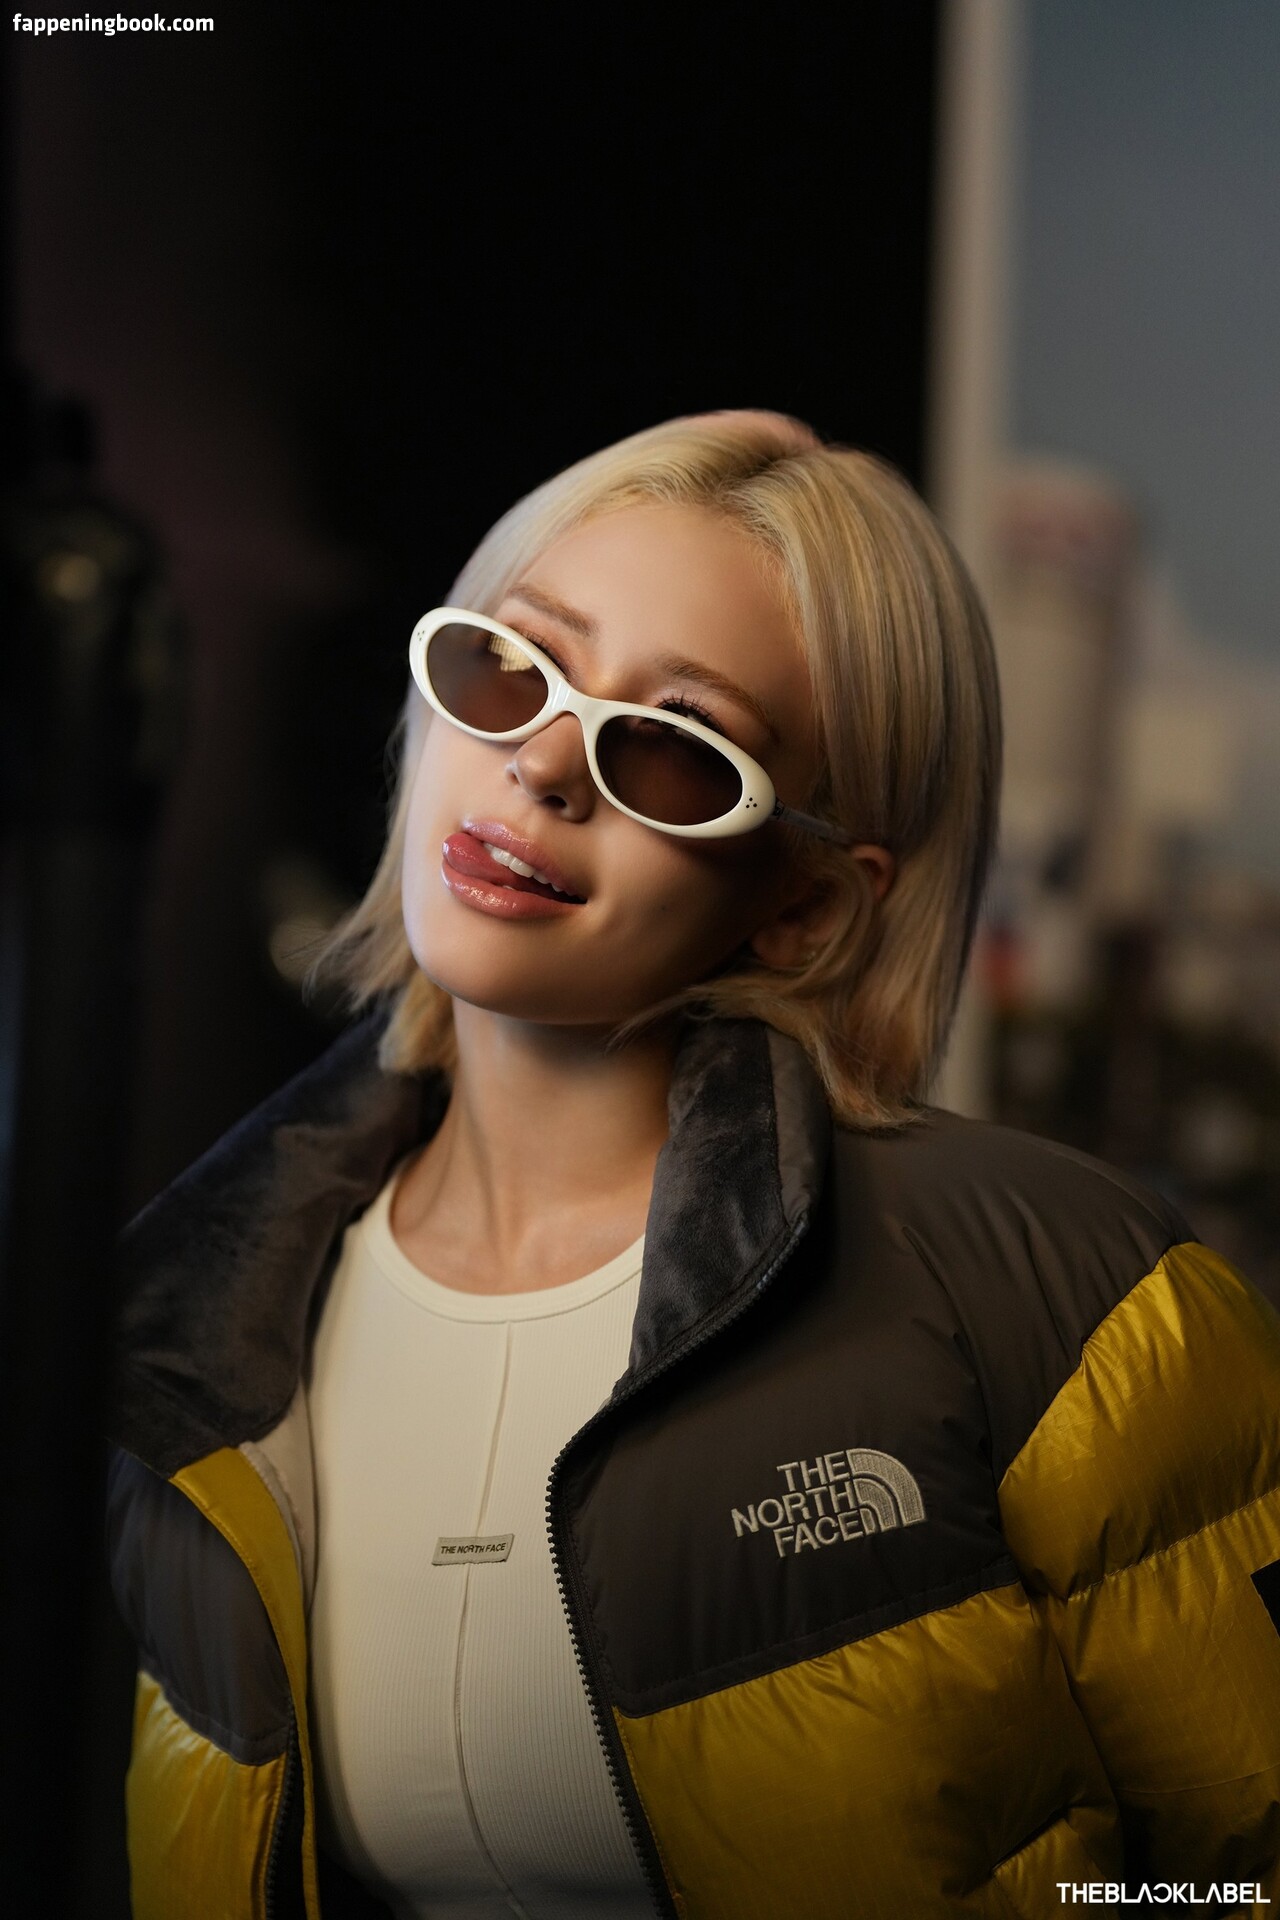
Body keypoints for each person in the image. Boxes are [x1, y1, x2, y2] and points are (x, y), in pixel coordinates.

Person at [107, 411, 1280, 1920]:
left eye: (671, 746)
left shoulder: (1067, 1294)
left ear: (803, 907)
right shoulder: (197, 1335)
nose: (542, 764)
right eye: (509, 666)